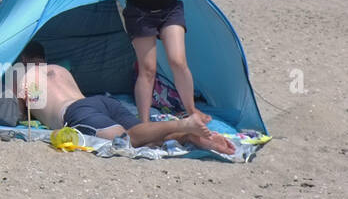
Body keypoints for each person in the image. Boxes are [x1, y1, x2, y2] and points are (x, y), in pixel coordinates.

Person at [15, 42, 233, 154]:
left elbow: (19, 113)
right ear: (43, 58)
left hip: (75, 112)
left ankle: (184, 124)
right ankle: (188, 136)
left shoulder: (24, 78)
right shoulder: (59, 70)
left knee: (126, 139)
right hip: (101, 101)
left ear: (23, 59)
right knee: (143, 137)